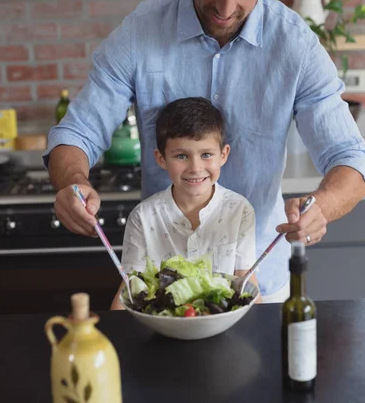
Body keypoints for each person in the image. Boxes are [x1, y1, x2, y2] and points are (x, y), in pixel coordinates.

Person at [44, 0, 365, 302]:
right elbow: (78, 131)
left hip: (259, 282)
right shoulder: (141, 31)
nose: (225, 6)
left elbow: (350, 158)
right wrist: (72, 182)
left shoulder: (296, 46)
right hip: (161, 286)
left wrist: (322, 205)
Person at [110, 97, 260, 310]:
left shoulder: (240, 211)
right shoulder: (142, 217)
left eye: (206, 154)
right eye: (181, 156)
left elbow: (247, 285)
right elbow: (129, 290)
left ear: (223, 155)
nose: (195, 168)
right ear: (161, 159)